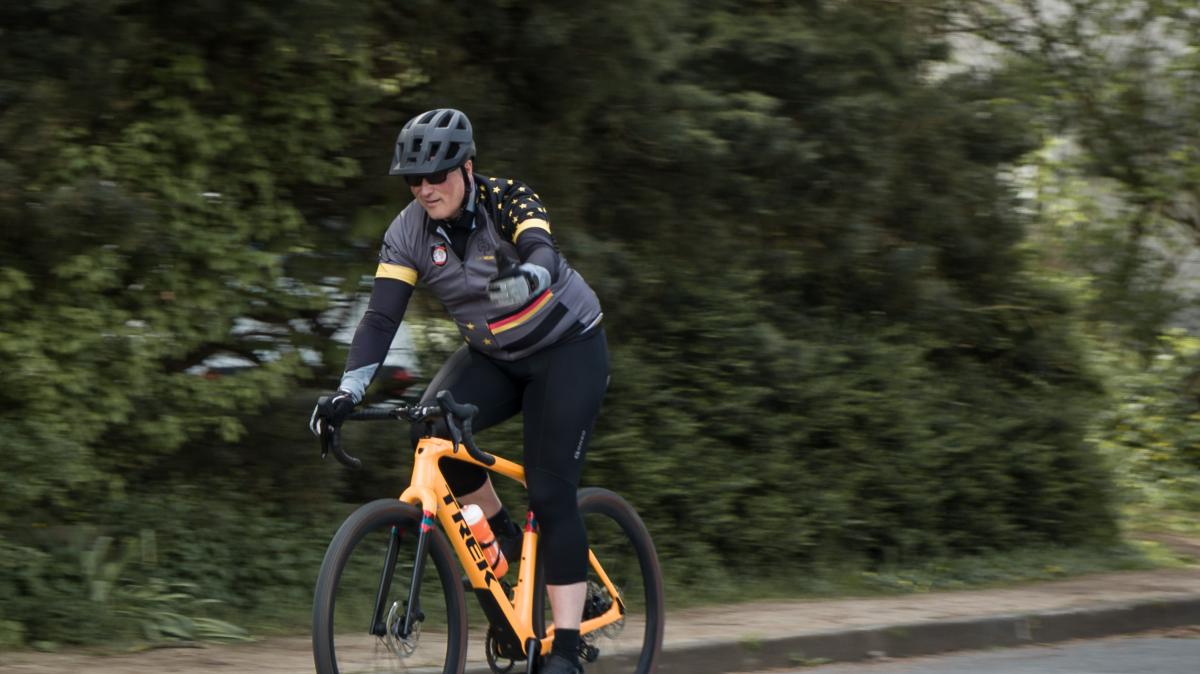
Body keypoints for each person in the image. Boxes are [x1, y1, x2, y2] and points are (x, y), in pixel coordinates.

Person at [309, 108, 607, 674]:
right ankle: (507, 547)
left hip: (567, 351)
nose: (425, 189)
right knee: (434, 435)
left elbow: (541, 249)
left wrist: (531, 276)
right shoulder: (408, 232)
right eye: (413, 180)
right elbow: (379, 319)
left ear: (467, 168)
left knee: (550, 491)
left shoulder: (508, 199)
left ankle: (565, 650)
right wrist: (347, 391)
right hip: (495, 354)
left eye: (437, 175)